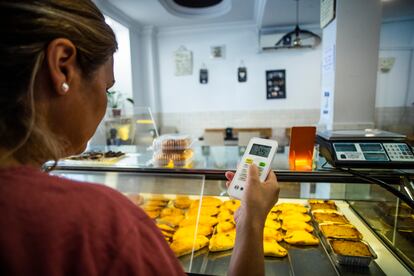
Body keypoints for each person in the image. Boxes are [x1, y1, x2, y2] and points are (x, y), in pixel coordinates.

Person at [0, 0, 280, 275]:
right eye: (107, 88)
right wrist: (252, 220)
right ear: (62, 66)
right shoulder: (100, 224)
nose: (106, 101)